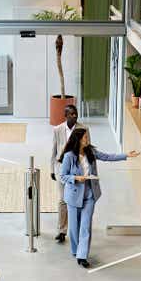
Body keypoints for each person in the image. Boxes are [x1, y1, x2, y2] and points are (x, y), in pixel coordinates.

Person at [60, 128, 139, 268]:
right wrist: (76, 178)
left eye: (87, 137)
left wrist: (126, 155)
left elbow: (108, 157)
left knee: (85, 226)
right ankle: (75, 250)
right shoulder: (69, 156)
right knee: (74, 226)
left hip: (90, 194)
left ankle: (82, 255)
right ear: (78, 139)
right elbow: (63, 176)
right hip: (73, 196)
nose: (87, 139)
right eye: (85, 137)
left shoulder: (91, 151)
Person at [50, 104, 89, 243]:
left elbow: (87, 149)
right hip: (61, 170)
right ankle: (61, 230)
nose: (75, 116)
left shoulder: (83, 129)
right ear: (65, 116)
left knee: (76, 201)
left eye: (76, 113)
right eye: (71, 114)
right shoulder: (58, 129)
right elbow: (54, 151)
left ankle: (76, 229)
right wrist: (51, 170)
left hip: (77, 171)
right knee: (62, 200)